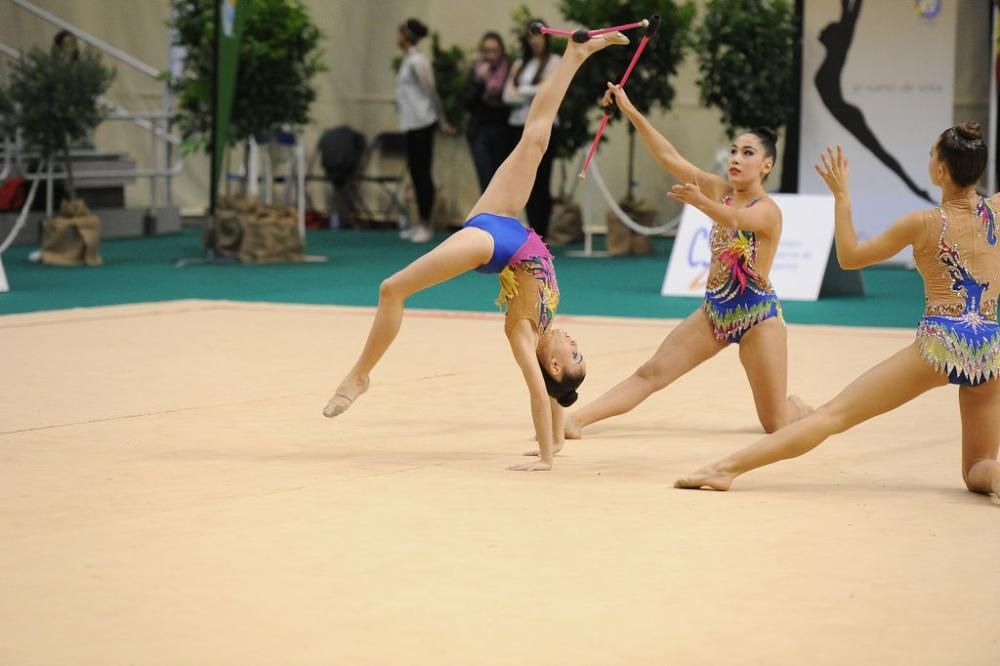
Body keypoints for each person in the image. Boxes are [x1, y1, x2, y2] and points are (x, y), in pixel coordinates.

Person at [323, 31, 631, 471]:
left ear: (557, 365)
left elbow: (537, 391)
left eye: (575, 355)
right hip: (504, 221)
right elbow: (555, 394)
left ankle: (360, 375)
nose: (577, 344)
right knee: (535, 138)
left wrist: (546, 458)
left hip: (491, 245)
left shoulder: (526, 337)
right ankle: (574, 55)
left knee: (392, 289)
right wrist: (559, 439)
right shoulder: (549, 326)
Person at [676, 124, 1000, 505]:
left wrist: (842, 195)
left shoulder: (923, 223)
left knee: (832, 415)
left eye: (932, 154)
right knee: (979, 465)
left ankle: (724, 469)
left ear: (941, 171)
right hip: (991, 351)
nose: (929, 160)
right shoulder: (995, 210)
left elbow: (850, 256)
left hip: (941, 345)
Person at [555, 83, 811, 444]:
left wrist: (699, 202)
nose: (736, 158)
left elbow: (734, 221)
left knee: (776, 424)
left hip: (758, 319)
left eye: (748, 153)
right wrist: (630, 110)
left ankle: (798, 407)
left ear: (766, 165)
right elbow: (669, 158)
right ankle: (577, 419)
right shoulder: (720, 190)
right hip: (716, 311)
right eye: (734, 150)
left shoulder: (768, 211)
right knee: (652, 372)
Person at [395, 18, 456, 244]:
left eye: (399, 33)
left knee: (423, 174)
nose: (397, 37)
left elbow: (431, 92)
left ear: (407, 36)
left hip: (423, 122)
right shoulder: (408, 60)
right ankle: (419, 221)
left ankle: (426, 224)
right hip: (411, 123)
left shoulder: (418, 61)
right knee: (415, 172)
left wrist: (442, 121)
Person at [503, 19, 560, 238]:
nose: (535, 41)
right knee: (520, 182)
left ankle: (541, 235)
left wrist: (522, 90)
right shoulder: (520, 64)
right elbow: (507, 96)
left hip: (543, 128)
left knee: (541, 182)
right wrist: (531, 92)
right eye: (531, 36)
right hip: (518, 127)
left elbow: (548, 91)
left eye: (539, 35)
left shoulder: (554, 61)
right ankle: (525, 234)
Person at [463, 32, 512, 192]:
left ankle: (499, 216)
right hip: (480, 131)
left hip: (503, 132)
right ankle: (486, 216)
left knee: (501, 182)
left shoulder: (510, 70)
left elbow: (510, 101)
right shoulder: (477, 70)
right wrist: (479, 82)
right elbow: (467, 102)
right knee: (485, 180)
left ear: (501, 51)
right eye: (487, 51)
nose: (490, 55)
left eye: (494, 50)